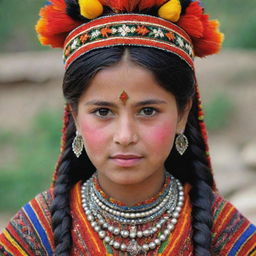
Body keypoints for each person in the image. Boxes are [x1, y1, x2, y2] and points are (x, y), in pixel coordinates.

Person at [0, 0, 255, 255]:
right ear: (75, 116)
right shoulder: (35, 232)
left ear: (182, 114)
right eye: (103, 112)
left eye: (147, 111)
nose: (125, 136)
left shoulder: (223, 232)